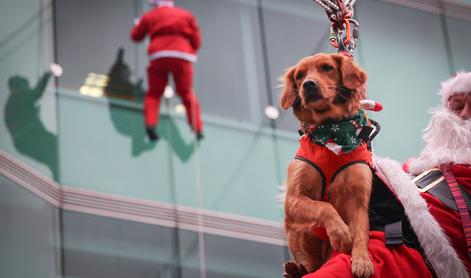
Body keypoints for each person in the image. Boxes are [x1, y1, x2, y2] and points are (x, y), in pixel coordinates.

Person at [295, 72, 471, 278]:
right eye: (457, 106)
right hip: (376, 245)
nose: (464, 114)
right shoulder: (414, 171)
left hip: (407, 258)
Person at [131, 0, 203, 141]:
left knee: (154, 93)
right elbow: (197, 40)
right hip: (182, 55)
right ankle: (197, 127)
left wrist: (138, 23)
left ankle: (151, 124)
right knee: (186, 92)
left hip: (158, 55)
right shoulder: (186, 15)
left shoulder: (149, 16)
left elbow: (136, 36)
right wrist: (190, 51)